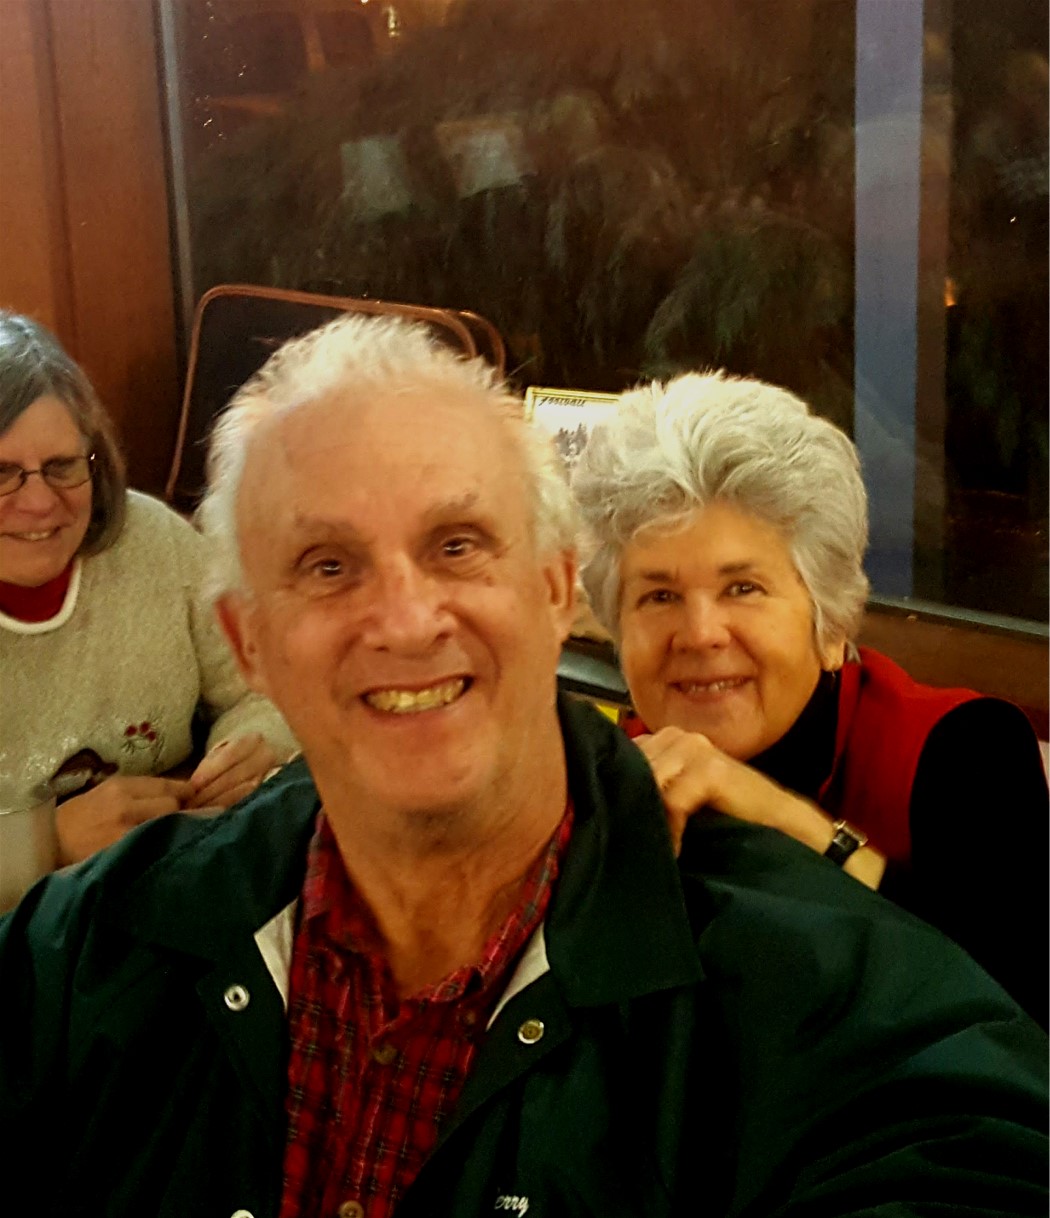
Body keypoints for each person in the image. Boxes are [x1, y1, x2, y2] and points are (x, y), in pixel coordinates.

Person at [0, 315, 1045, 1218]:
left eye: (457, 545)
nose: (407, 620)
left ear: (553, 592)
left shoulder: (815, 983)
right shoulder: (86, 949)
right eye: (329, 565)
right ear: (250, 642)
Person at [572, 369, 1049, 1026]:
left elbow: (1018, 1023)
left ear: (830, 625)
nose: (701, 633)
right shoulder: (598, 780)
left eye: (743, 588)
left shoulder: (963, 753)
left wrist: (786, 820)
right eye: (659, 596)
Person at [0, 311, 297, 875]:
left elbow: (267, 686)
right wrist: (46, 843)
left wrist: (258, 741)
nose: (39, 503)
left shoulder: (156, 541)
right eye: (1, 473)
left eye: (62, 466)